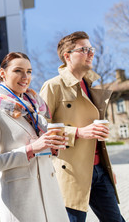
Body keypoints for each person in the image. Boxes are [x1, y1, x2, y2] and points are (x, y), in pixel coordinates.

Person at [40, 31, 125, 222]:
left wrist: (107, 168)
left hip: (99, 170)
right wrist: (78, 132)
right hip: (71, 170)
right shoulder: (53, 86)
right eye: (84, 49)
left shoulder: (91, 86)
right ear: (67, 56)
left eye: (91, 49)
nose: (91, 53)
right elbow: (41, 127)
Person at [0, 52, 69, 221]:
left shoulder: (34, 110)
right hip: (22, 200)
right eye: (18, 71)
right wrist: (31, 149)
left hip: (50, 194)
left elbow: (44, 150)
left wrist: (54, 146)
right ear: (2, 73)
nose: (25, 77)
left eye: (29, 71)